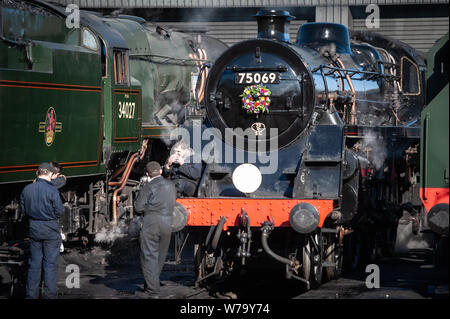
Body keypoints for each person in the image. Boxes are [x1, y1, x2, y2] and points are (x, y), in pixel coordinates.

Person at [20, 162, 65, 299]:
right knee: (50, 265)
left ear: (37, 173)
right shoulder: (52, 190)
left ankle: (31, 295)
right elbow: (60, 211)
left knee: (34, 264)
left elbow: (24, 210)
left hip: (34, 229)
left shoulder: (27, 189)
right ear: (51, 174)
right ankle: (50, 296)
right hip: (50, 229)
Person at [134, 161, 177, 299]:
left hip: (152, 222)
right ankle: (152, 285)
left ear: (147, 174)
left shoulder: (148, 187)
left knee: (149, 256)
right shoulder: (171, 185)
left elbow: (138, 208)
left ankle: (152, 292)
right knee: (160, 256)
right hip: (168, 222)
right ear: (160, 172)